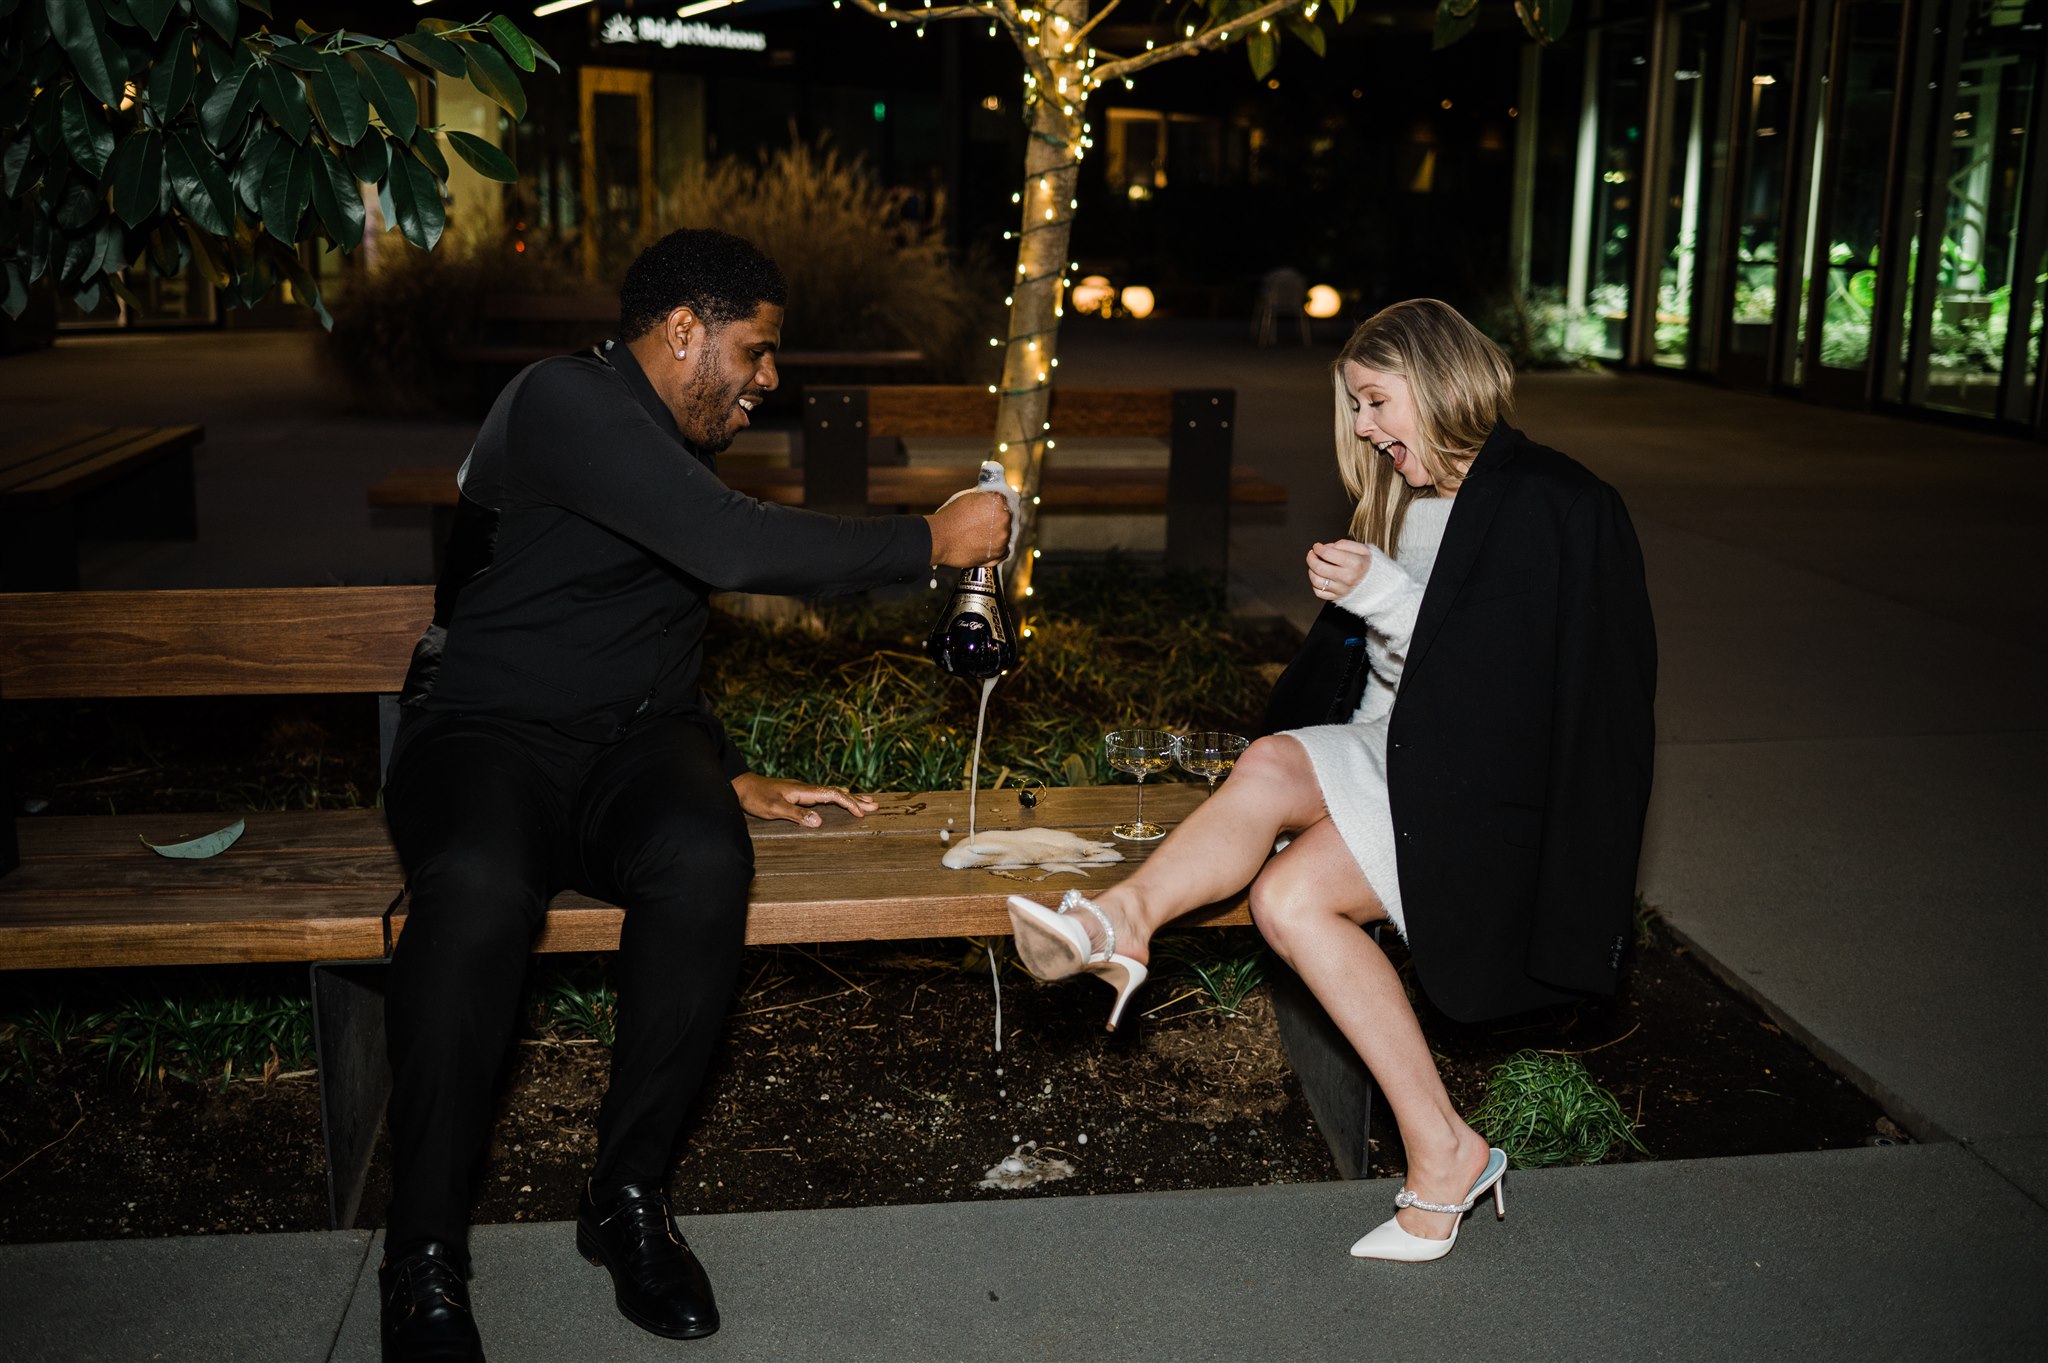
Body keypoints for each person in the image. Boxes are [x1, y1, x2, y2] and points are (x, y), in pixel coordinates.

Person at [376, 228, 1011, 1360]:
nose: (771, 378)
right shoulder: (563, 401)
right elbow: (722, 548)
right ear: (683, 331)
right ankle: (423, 1252)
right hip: (482, 742)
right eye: (758, 351)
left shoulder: (664, 438)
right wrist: (928, 538)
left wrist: (719, 768)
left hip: (631, 748)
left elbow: (649, 615)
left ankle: (625, 1198)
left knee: (706, 860)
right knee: (472, 890)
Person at [1007, 298, 1655, 1263]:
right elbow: (1377, 684)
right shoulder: (1398, 500)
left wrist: (1380, 596)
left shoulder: (1560, 504)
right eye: (1355, 406)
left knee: (1289, 897)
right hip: (1394, 752)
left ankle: (1444, 1150)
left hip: (1483, 793)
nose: (1361, 428)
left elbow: (1523, 694)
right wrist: (1324, 773)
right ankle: (1122, 923)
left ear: (1436, 383)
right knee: (1270, 762)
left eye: (1374, 401)